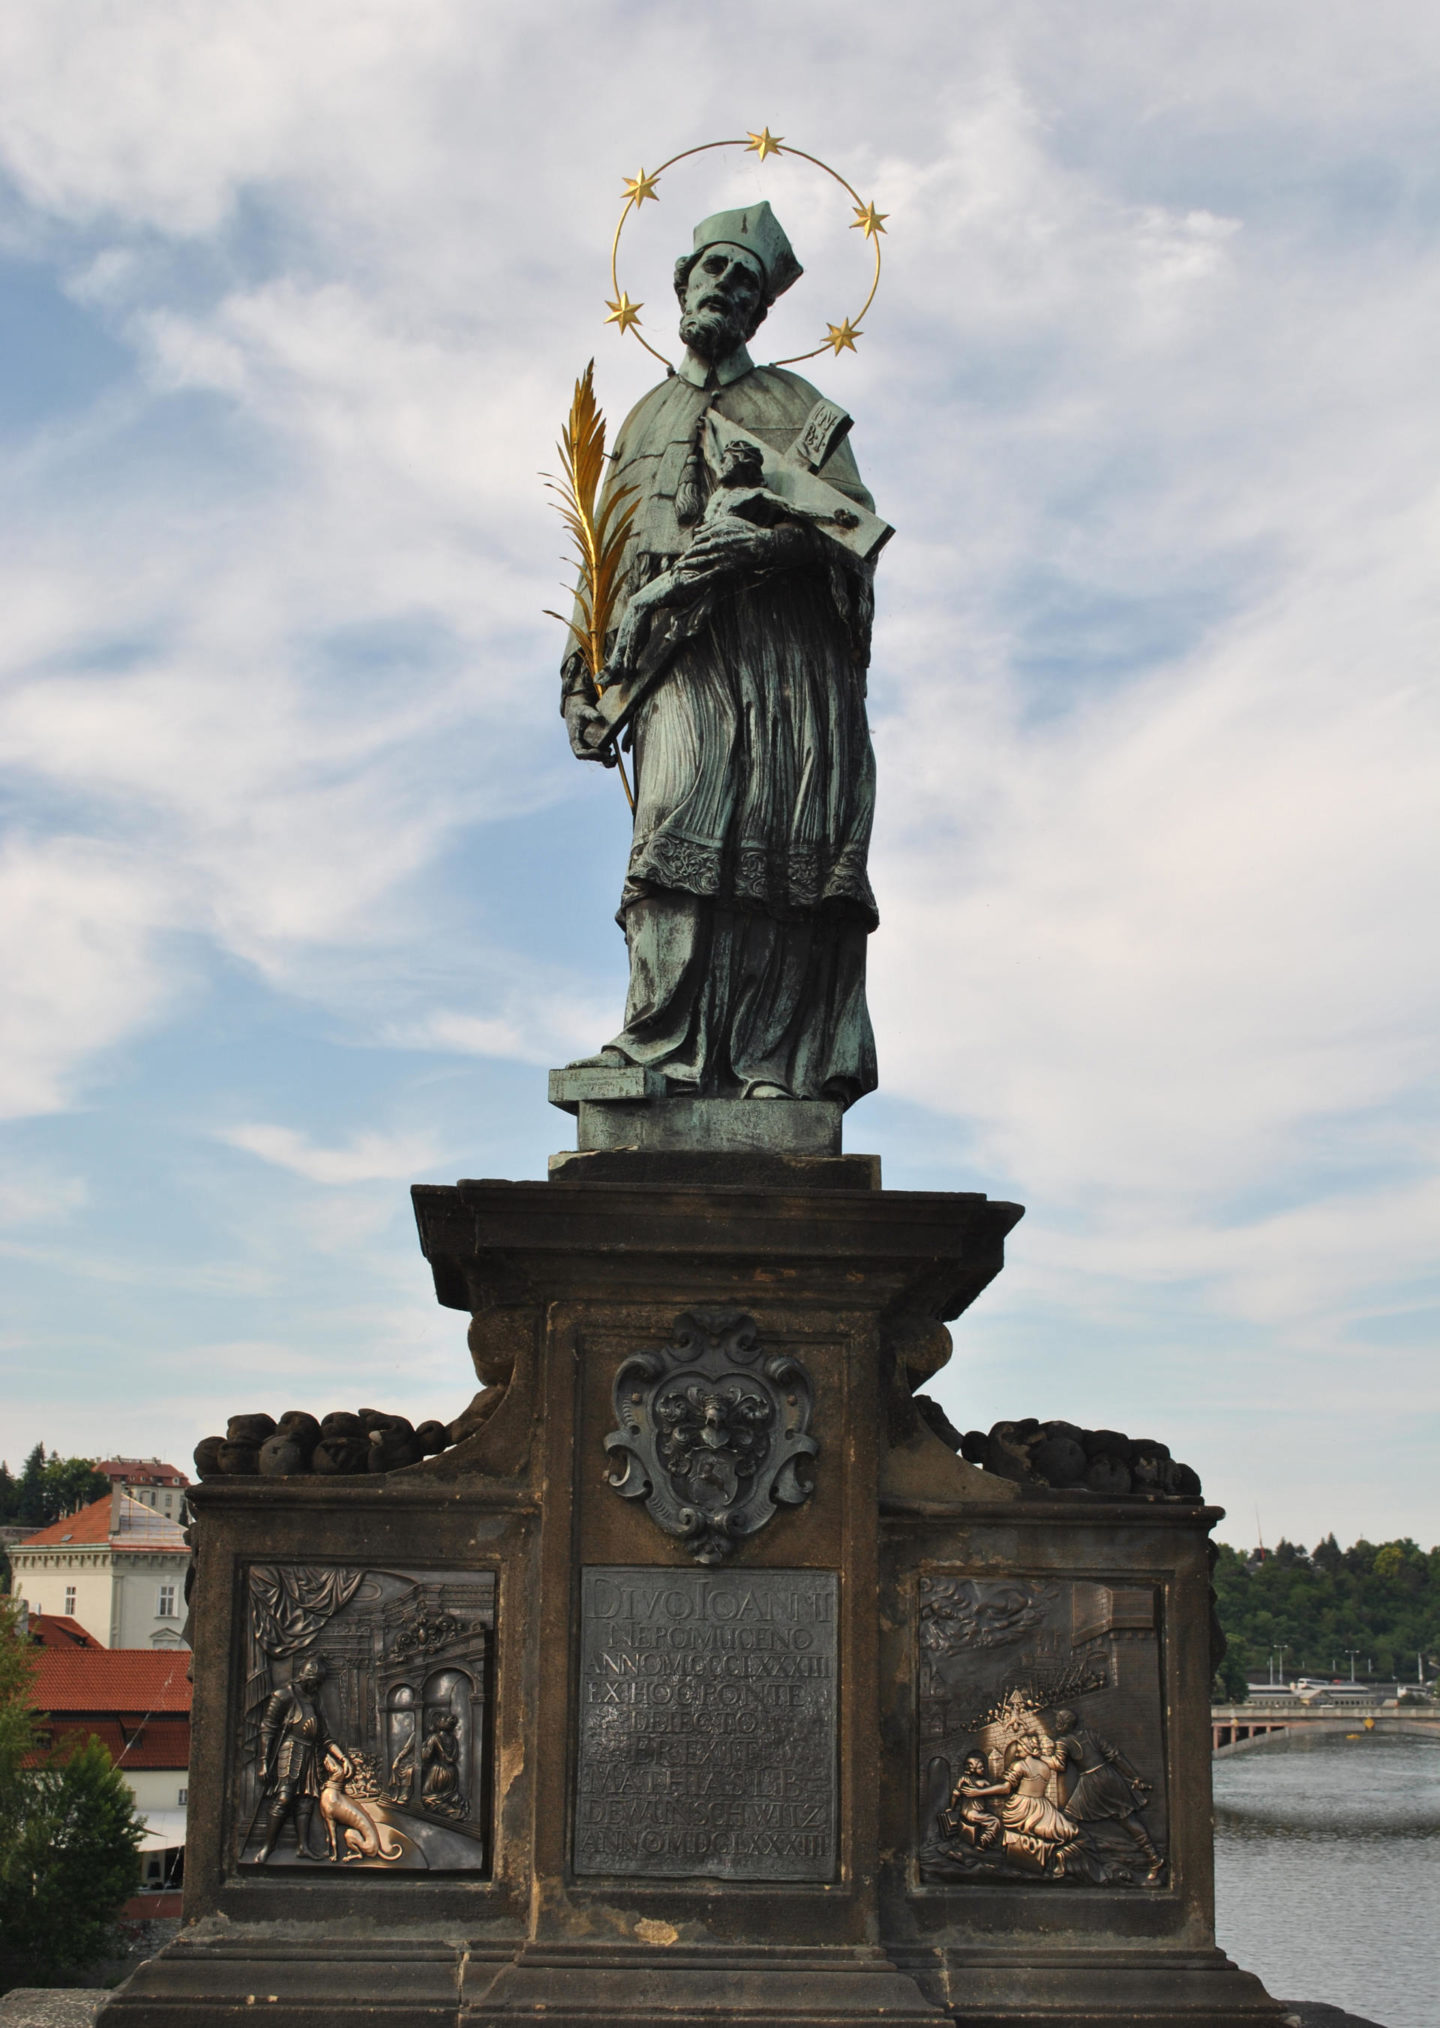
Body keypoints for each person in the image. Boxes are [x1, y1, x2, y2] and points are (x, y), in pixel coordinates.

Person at [562, 202, 881, 1106]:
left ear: (762, 312)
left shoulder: (801, 409)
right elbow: (602, 555)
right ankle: (656, 1039)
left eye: (747, 283)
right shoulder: (643, 415)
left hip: (777, 665)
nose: (728, 290)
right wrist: (581, 679)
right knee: (671, 825)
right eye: (716, 272)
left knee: (774, 848)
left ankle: (771, 1064)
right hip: (671, 661)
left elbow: (850, 530)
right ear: (681, 280)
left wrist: (759, 546)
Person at [1051, 1707, 1164, 1883]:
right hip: (1110, 1777)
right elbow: (1115, 1756)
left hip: (1091, 1784)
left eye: (1058, 1722)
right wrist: (1133, 1776)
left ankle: (1065, 1861)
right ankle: (1154, 1859)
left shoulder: (1063, 1742)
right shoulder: (1091, 1735)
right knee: (1127, 1819)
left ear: (1065, 1725)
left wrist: (1040, 1758)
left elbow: (1059, 1765)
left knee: (1068, 1819)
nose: (1056, 1726)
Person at [254, 1654, 329, 1863]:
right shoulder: (283, 1695)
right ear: (307, 1677)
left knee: (305, 1801)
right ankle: (268, 1847)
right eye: (316, 1682)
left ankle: (303, 1846)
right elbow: (268, 1727)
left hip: (309, 1753)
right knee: (284, 1798)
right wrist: (262, 1761)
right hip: (290, 1750)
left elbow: (322, 1731)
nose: (317, 1686)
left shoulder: (313, 1698)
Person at [1000, 1732, 1080, 1849]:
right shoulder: (1045, 1767)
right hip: (1044, 1808)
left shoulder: (1020, 1765)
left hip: (1021, 1807)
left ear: (1027, 1748)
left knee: (1027, 1827)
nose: (1016, 1752)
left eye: (1019, 1747)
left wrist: (978, 1792)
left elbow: (1005, 1789)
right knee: (1061, 1830)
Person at [944, 1753, 1008, 1849]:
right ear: (972, 1768)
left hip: (964, 1812)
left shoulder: (963, 1779)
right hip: (974, 1813)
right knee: (995, 1821)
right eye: (980, 1767)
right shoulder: (984, 1782)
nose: (983, 1769)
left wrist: (951, 1808)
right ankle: (983, 1843)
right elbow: (993, 1793)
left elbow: (955, 1796)